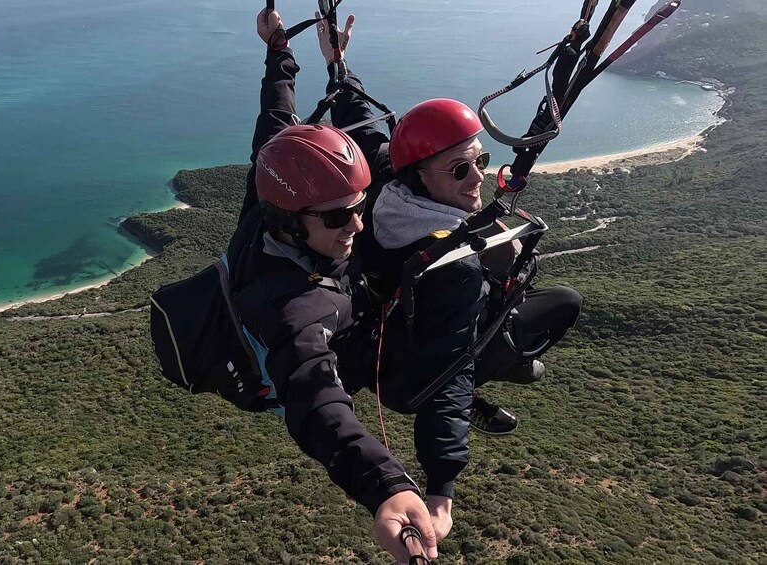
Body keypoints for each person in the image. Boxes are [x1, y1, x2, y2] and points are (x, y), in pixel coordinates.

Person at [312, 13, 582, 540]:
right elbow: (451, 369)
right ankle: (495, 369)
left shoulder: (383, 182)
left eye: (479, 160)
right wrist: (442, 489)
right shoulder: (450, 266)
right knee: (562, 306)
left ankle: (492, 364)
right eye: (460, 169)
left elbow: (360, 116)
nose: (477, 176)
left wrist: (336, 63)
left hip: (387, 344)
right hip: (412, 379)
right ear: (420, 174)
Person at [229, 8, 439, 561]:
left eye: (359, 207)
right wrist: (386, 488)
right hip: (341, 347)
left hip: (342, 296)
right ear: (293, 223)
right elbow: (317, 401)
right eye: (339, 217)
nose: (357, 224)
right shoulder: (292, 307)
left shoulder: (272, 188)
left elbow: (277, 112)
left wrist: (290, 52)